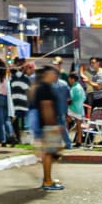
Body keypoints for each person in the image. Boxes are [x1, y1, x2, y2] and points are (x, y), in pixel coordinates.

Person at [31, 63, 67, 192]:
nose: (56, 76)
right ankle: (47, 181)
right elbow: (46, 107)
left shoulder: (40, 87)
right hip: (48, 125)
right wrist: (52, 125)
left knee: (50, 153)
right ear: (48, 74)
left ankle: (47, 179)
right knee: (49, 154)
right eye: (54, 73)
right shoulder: (45, 88)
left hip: (44, 124)